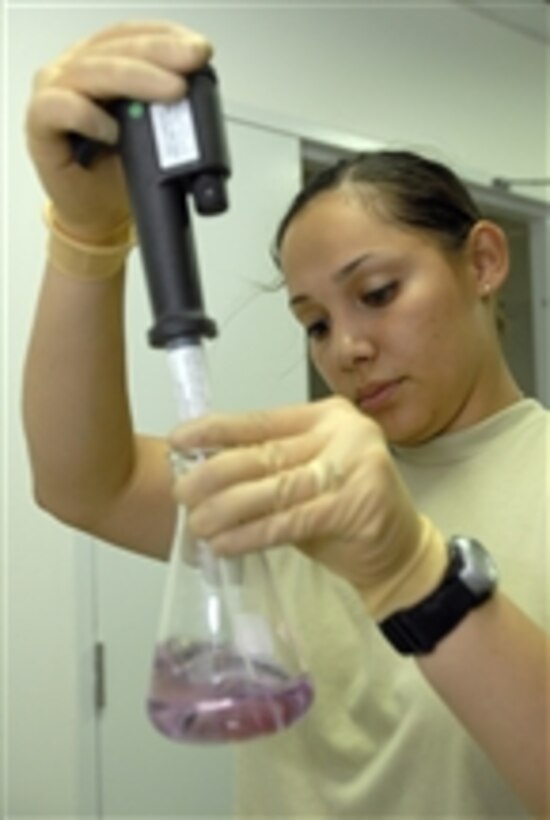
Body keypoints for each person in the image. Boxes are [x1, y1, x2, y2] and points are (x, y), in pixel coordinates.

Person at [23, 20, 548, 820]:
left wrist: (414, 572)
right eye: (315, 322)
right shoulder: (306, 485)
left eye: (376, 294)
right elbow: (81, 483)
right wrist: (89, 235)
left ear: (482, 262)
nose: (348, 349)